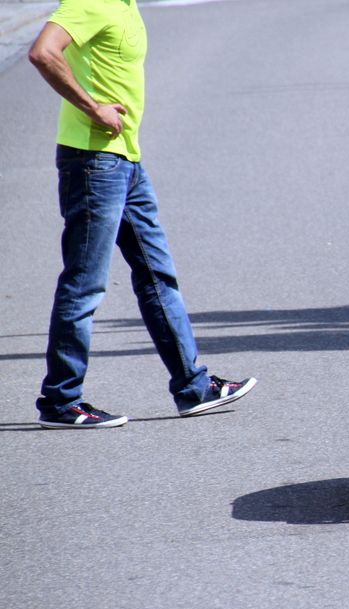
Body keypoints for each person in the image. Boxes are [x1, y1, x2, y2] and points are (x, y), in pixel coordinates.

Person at [27, 0, 256, 429]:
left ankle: (193, 387)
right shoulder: (92, 1)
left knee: (157, 275)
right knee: (84, 284)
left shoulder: (126, 5)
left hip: (125, 161)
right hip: (93, 161)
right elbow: (43, 52)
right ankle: (60, 400)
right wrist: (92, 106)